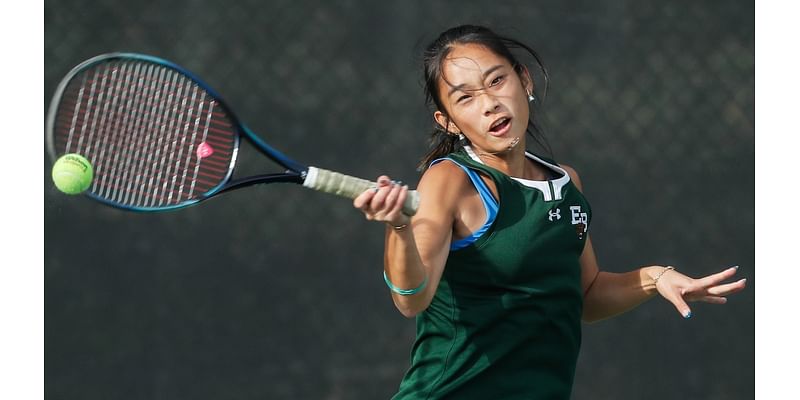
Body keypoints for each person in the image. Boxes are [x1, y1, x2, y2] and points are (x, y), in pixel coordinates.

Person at [353, 24, 747, 400]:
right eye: (465, 97)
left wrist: (654, 278)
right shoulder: (450, 180)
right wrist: (399, 227)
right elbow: (411, 298)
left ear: (523, 81)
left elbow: (587, 296)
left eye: (496, 81)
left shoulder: (566, 184)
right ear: (449, 122)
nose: (489, 103)